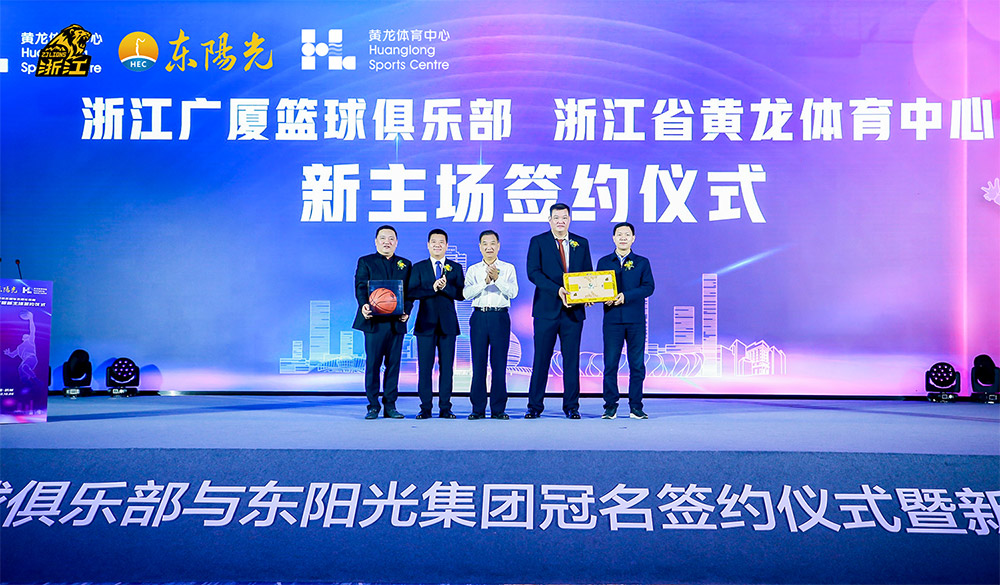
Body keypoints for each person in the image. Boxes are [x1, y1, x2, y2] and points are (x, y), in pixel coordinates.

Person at [525, 203, 592, 419]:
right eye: (556, 217)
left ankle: (572, 406)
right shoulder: (538, 241)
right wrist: (558, 290)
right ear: (550, 220)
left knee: (571, 360)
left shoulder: (581, 243)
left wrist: (588, 295)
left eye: (564, 217)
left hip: (573, 312)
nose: (560, 221)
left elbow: (588, 274)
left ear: (569, 220)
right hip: (546, 310)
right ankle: (534, 406)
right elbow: (533, 273)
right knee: (541, 359)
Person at [352, 225, 413, 419]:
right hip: (374, 322)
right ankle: (372, 405)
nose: (387, 242)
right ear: (376, 241)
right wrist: (364, 305)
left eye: (391, 238)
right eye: (383, 238)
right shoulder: (366, 262)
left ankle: (390, 405)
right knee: (373, 364)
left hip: (396, 322)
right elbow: (360, 287)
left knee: (393, 365)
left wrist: (407, 311)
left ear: (396, 242)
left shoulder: (405, 264)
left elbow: (410, 292)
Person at [596, 222, 655, 419]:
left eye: (627, 234)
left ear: (633, 238)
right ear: (613, 238)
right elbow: (597, 287)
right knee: (610, 364)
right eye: (619, 234)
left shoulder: (642, 262)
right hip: (612, 320)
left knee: (637, 365)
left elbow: (648, 287)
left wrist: (626, 296)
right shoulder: (604, 262)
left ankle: (636, 406)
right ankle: (610, 406)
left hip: (635, 320)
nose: (623, 238)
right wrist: (599, 297)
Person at [408, 229, 465, 419]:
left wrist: (446, 287)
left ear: (446, 245)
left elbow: (461, 294)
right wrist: (432, 288)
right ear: (428, 245)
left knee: (447, 368)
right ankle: (425, 407)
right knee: (425, 368)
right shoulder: (419, 267)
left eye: (441, 242)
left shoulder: (455, 267)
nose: (437, 245)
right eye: (434, 241)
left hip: (448, 325)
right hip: (425, 324)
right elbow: (411, 292)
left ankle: (445, 407)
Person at [463, 229, 518, 420]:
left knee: (499, 364)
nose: (489, 247)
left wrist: (497, 279)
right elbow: (466, 294)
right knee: (478, 364)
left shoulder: (508, 268)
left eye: (492, 243)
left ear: (498, 246)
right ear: (480, 247)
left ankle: (498, 409)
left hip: (500, 317)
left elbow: (513, 293)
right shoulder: (473, 270)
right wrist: (485, 282)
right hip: (479, 316)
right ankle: (477, 409)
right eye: (485, 244)